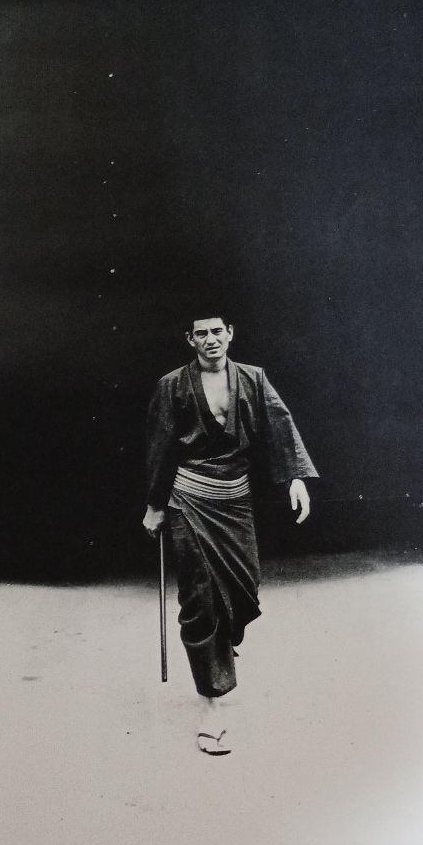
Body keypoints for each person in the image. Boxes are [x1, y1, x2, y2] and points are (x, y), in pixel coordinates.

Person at [143, 313, 318, 755]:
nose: (210, 340)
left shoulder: (253, 379)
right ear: (190, 339)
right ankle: (211, 707)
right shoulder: (172, 385)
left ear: (230, 334)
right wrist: (155, 505)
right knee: (201, 602)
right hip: (189, 500)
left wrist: (296, 478)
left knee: (244, 589)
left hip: (235, 499)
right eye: (201, 333)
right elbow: (160, 447)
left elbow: (280, 426)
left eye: (217, 331)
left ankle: (220, 650)